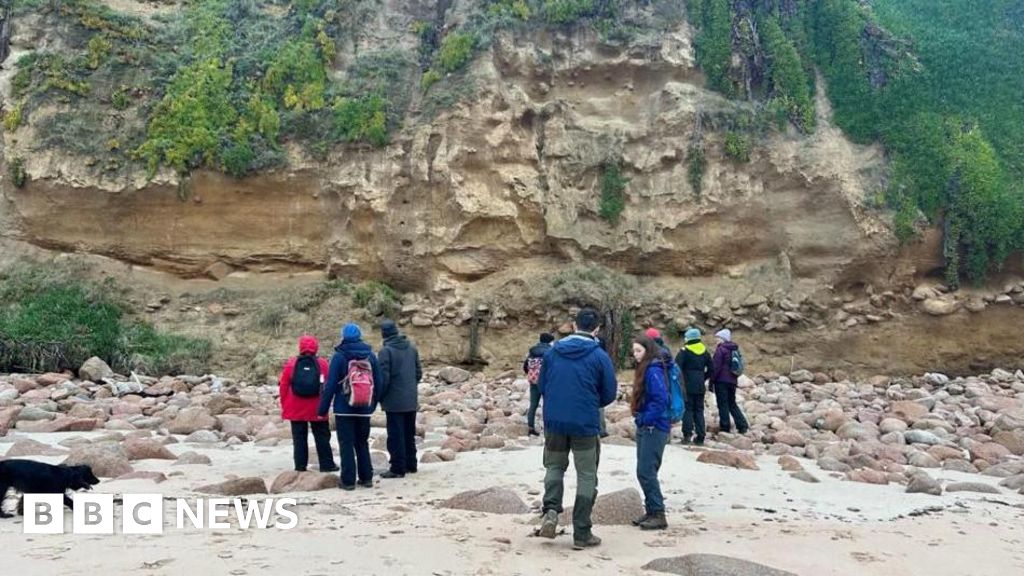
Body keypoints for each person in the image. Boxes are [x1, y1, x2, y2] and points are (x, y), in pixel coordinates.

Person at [536, 308, 617, 550]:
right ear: (596, 329)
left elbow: (542, 384)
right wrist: (592, 403)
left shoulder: (552, 353)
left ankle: (550, 511)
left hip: (555, 422)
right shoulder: (600, 356)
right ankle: (581, 531)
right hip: (584, 423)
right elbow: (609, 393)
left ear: (573, 325)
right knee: (586, 475)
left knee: (554, 467)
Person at [318, 323, 384, 490]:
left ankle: (348, 481)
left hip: (343, 409)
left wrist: (322, 409)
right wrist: (373, 404)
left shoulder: (339, 356)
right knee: (362, 443)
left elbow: (331, 384)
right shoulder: (370, 356)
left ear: (343, 336)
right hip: (364, 409)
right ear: (360, 335)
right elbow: (379, 382)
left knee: (346, 444)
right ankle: (366, 478)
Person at [278, 335, 337, 473]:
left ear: (300, 347)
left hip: (296, 407)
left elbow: (284, 385)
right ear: (316, 348)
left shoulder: (291, 364)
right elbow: (328, 385)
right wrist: (328, 404)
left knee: (299, 438)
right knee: (322, 436)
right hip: (317, 407)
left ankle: (300, 466)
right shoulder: (323, 364)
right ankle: (327, 465)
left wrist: (284, 404)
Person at [630, 336, 671, 530]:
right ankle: (652, 510)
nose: (635, 355)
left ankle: (658, 512)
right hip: (649, 424)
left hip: (653, 425)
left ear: (648, 350)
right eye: (634, 351)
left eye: (638, 351)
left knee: (646, 470)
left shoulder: (653, 369)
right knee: (645, 470)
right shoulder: (650, 367)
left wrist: (645, 418)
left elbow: (660, 398)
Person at [377, 319, 422, 479]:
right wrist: (410, 387)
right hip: (410, 398)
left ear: (384, 334)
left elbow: (384, 378)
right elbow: (418, 373)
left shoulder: (385, 351)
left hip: (394, 400)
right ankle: (411, 464)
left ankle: (397, 468)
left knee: (395, 435)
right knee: (409, 433)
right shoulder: (411, 348)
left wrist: (379, 396)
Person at [675, 327, 713, 446]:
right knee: (699, 410)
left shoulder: (684, 351)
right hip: (700, 385)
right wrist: (703, 377)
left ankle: (687, 435)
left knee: (688, 409)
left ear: (688, 338)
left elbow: (676, 368)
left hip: (687, 385)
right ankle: (700, 437)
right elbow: (712, 369)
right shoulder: (705, 351)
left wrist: (680, 381)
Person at [711, 329, 749, 435]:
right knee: (732, 403)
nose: (716, 340)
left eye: (718, 338)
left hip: (721, 381)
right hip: (732, 381)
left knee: (722, 404)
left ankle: (725, 427)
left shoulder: (721, 349)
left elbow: (716, 367)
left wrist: (711, 380)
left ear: (723, 339)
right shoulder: (734, 349)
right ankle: (742, 425)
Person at [523, 332, 555, 437]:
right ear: (550, 341)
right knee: (547, 405)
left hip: (533, 382)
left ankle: (530, 428)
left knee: (533, 405)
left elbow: (525, 367)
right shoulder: (551, 352)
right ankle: (547, 429)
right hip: (547, 382)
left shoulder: (532, 351)